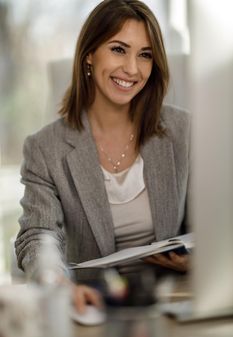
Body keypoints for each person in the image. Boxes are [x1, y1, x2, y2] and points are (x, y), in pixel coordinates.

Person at [15, 0, 191, 312]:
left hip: (172, 299)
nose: (132, 69)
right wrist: (56, 282)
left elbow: (213, 222)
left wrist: (195, 258)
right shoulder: (45, 148)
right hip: (93, 303)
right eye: (119, 49)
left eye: (145, 55)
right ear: (89, 55)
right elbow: (37, 236)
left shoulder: (182, 130)